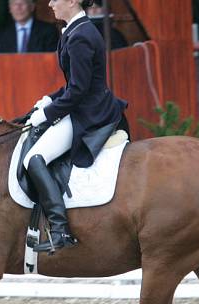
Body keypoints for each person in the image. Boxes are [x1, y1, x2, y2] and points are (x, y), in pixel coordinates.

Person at [24, 0, 128, 254]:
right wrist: (50, 99)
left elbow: (79, 91)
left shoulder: (80, 35)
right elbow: (75, 83)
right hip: (83, 105)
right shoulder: (75, 29)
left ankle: (60, 230)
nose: (50, 3)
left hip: (89, 113)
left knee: (34, 158)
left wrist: (47, 114)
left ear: (72, 1)